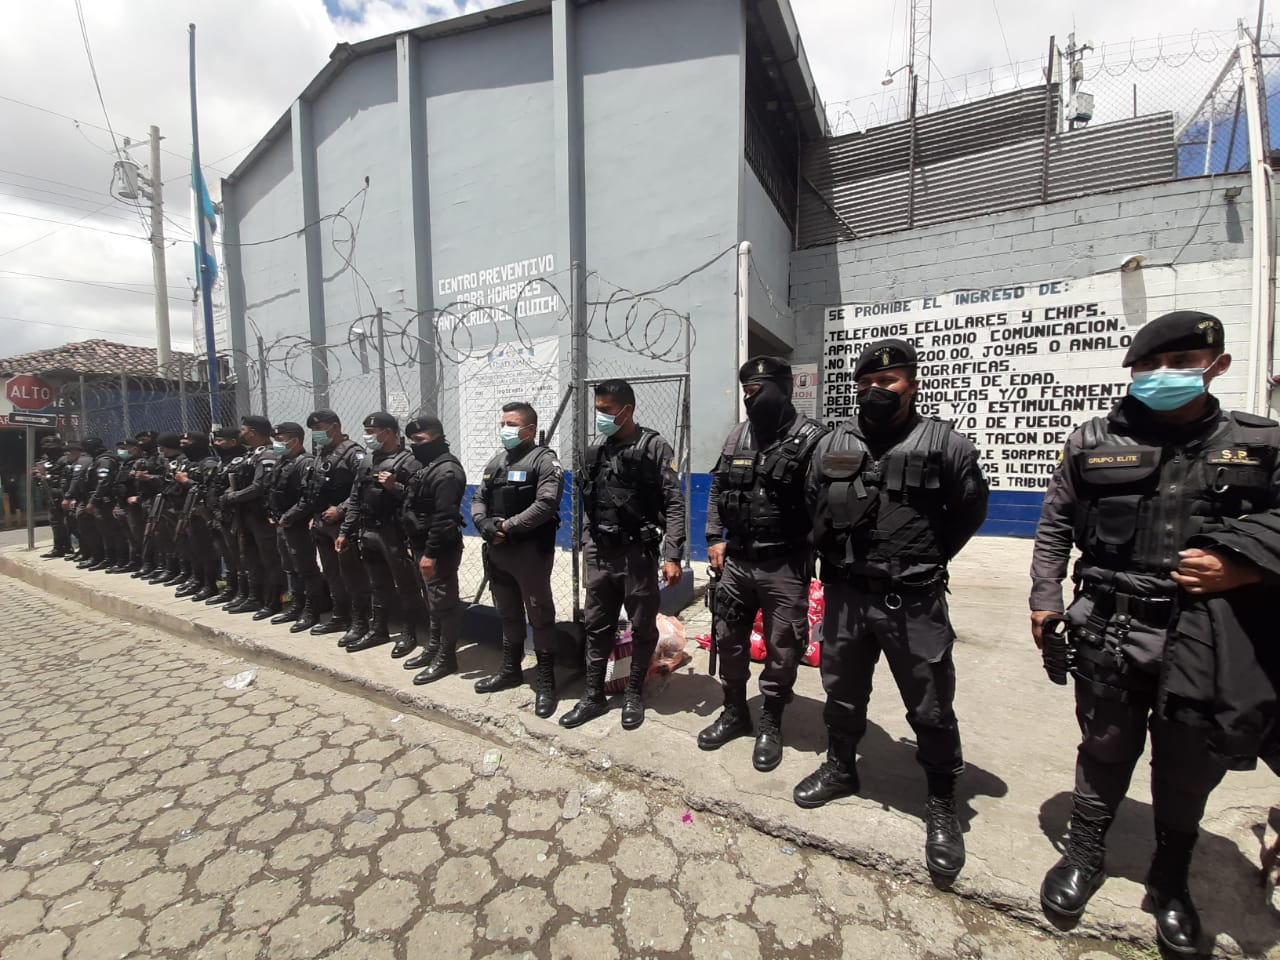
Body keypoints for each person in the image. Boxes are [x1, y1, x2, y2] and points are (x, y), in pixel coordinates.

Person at [1028, 310, 1279, 954]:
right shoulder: (1093, 440)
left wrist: (1243, 563)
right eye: (1148, 367)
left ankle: (1171, 878)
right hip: (1112, 625)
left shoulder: (1260, 442)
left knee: (1188, 763)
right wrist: (1045, 600)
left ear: (1216, 366)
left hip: (1207, 634)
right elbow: (1056, 526)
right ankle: (1084, 854)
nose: (1162, 377)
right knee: (1105, 745)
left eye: (1181, 365)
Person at [799, 338, 989, 885]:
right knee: (841, 691)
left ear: (911, 383)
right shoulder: (833, 441)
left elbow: (971, 510)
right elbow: (812, 500)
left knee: (930, 706)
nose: (875, 392)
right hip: (846, 598)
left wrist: (926, 557)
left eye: (887, 383)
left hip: (914, 599)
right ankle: (841, 768)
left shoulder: (946, 444)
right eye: (866, 385)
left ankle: (943, 803)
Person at [699, 357, 828, 768]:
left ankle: (771, 720)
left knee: (783, 646)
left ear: (782, 388)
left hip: (785, 565)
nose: (748, 399)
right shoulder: (738, 436)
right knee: (729, 638)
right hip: (737, 561)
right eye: (745, 392)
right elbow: (719, 485)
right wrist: (714, 538)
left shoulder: (813, 439)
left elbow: (828, 505)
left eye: (756, 391)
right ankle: (735, 711)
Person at [560, 380, 686, 730]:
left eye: (606, 410)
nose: (599, 416)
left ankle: (633, 693)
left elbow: (674, 503)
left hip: (637, 555)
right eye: (597, 409)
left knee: (642, 627)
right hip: (600, 554)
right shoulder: (594, 451)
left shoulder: (654, 447)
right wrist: (587, 543)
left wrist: (672, 554)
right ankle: (593, 695)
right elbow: (588, 502)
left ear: (626, 410)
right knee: (597, 626)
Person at [470, 401, 564, 716]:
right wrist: (484, 525)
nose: (504, 430)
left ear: (529, 429)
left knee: (539, 614)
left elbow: (546, 504)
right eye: (503, 424)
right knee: (507, 612)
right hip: (498, 552)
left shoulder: (545, 461)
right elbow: (479, 497)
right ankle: (510, 669)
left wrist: (507, 527)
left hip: (529, 552)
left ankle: (546, 680)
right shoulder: (497, 462)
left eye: (511, 424)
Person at [337, 412, 429, 657]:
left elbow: (417, 500)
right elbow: (355, 498)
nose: (367, 436)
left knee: (407, 586)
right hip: (368, 532)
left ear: (387, 433)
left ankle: (410, 634)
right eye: (366, 431)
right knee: (378, 585)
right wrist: (346, 531)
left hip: (395, 534)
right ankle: (378, 629)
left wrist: (394, 487)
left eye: (371, 431)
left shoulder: (408, 462)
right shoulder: (367, 461)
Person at [401, 415, 468, 684]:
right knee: (432, 602)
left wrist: (430, 554)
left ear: (437, 437)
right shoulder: (427, 466)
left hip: (439, 549)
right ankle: (434, 647)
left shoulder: (447, 471)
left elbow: (444, 518)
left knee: (444, 604)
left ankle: (446, 657)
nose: (414, 445)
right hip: (421, 544)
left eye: (419, 440)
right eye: (412, 441)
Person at [302, 410, 371, 640]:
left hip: (344, 524)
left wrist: (340, 509)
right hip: (321, 523)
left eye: (319, 429)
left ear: (334, 427)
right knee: (332, 574)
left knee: (352, 575)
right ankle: (340, 615)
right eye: (313, 430)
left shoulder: (354, 454)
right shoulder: (322, 453)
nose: (316, 434)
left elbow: (361, 489)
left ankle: (360, 622)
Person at [223, 415, 284, 619]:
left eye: (244, 430)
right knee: (250, 557)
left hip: (261, 514)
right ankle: (254, 596)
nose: (241, 434)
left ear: (253, 432)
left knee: (269, 559)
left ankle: (273, 600)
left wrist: (233, 497)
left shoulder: (268, 454)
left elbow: (260, 487)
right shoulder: (251, 454)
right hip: (246, 514)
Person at [267, 422, 321, 628]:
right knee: (290, 566)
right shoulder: (282, 461)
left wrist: (289, 517)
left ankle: (311, 610)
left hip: (297, 524)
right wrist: (273, 514)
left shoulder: (305, 463)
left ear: (295, 440)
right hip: (282, 523)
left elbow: (308, 498)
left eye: (280, 440)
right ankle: (296, 606)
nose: (276, 444)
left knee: (306, 568)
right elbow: (272, 490)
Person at [207, 427, 248, 606]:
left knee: (240, 555)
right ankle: (232, 588)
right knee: (228, 554)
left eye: (221, 440)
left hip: (235, 516)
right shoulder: (222, 462)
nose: (217, 444)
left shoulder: (242, 460)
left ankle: (245, 591)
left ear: (233, 442)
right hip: (220, 514)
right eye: (215, 441)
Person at [32, 436, 71, 559]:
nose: (49, 450)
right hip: (51, 494)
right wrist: (38, 475)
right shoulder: (44, 460)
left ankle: (73, 547)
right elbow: (40, 476)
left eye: (52, 447)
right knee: (55, 522)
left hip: (65, 493)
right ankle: (59, 547)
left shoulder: (65, 459)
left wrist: (47, 476)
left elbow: (67, 477)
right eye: (46, 447)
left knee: (70, 522)